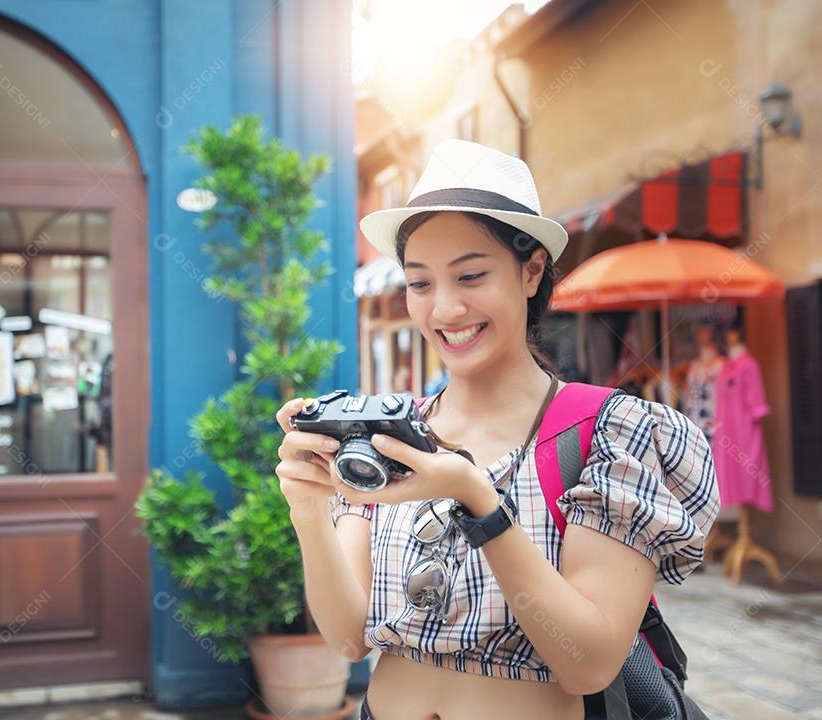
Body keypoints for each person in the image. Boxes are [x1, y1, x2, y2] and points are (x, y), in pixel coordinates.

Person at [274, 140, 719, 720]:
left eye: (471, 275)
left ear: (531, 271)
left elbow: (587, 664)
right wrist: (308, 511)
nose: (445, 309)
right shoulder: (390, 435)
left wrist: (477, 500)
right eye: (420, 283)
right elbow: (348, 639)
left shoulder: (608, 433)